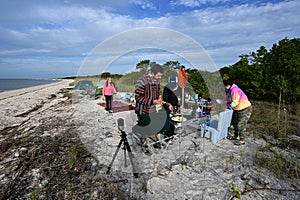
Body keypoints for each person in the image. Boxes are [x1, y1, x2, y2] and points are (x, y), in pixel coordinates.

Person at [134, 64, 165, 150]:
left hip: (153, 109)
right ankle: (143, 145)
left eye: (161, 76)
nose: (159, 78)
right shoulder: (141, 81)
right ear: (152, 73)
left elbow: (158, 92)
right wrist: (152, 101)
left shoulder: (157, 81)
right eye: (158, 76)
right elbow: (138, 97)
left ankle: (155, 142)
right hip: (142, 110)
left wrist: (159, 98)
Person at [223, 79, 252, 145]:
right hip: (238, 109)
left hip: (245, 109)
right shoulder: (232, 89)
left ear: (228, 85)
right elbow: (233, 100)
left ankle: (242, 140)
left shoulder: (234, 90)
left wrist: (229, 108)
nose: (225, 88)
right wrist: (226, 102)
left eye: (225, 86)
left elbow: (236, 102)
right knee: (235, 122)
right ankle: (236, 136)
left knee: (241, 124)